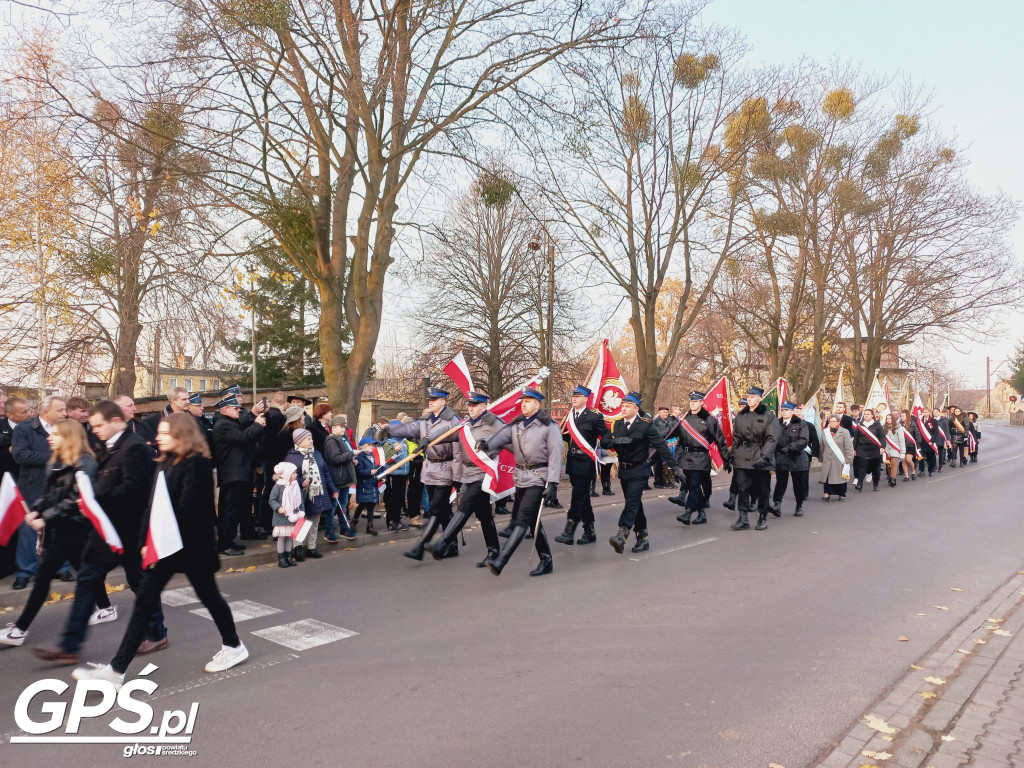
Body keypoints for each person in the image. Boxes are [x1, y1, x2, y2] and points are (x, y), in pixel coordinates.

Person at [72, 413, 248, 687]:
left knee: (210, 597)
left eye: (165, 433)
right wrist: (145, 542)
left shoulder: (198, 464)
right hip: (165, 546)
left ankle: (234, 646)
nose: (157, 437)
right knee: (144, 601)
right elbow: (151, 507)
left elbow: (188, 512)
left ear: (181, 434)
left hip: (192, 548)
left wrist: (158, 545)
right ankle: (116, 671)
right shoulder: (163, 463)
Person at [29, 401, 168, 664]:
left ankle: (157, 633)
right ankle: (70, 645)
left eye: (99, 425)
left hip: (128, 531)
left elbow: (135, 490)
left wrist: (95, 499)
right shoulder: (107, 446)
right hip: (105, 530)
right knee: (86, 581)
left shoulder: (134, 446)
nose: (95, 431)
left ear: (116, 420)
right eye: (92, 427)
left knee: (140, 583)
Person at [0, 420, 100, 649]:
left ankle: (22, 629)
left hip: (79, 530)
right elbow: (49, 494)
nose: (49, 437)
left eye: (55, 433)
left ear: (69, 437)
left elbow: (78, 500)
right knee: (79, 577)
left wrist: (46, 517)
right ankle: (102, 609)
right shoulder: (56, 460)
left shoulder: (85, 463)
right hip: (62, 529)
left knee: (56, 577)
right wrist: (36, 510)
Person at [476, 388, 560, 576]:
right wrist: (486, 443)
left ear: (537, 404)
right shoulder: (517, 425)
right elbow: (501, 437)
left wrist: (553, 484)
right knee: (532, 522)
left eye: (528, 401)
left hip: (539, 477)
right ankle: (546, 560)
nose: (523, 403)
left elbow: (556, 455)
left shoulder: (549, 426)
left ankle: (501, 560)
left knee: (522, 520)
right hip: (521, 477)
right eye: (522, 400)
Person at [427, 391, 504, 566]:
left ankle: (442, 543)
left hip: (484, 473)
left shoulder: (494, 423)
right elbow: (447, 433)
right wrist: (427, 440)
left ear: (484, 406)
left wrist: (489, 445)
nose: (470, 408)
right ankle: (494, 551)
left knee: (465, 505)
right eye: (469, 405)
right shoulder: (465, 424)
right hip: (467, 474)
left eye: (474, 405)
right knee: (484, 514)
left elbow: (507, 437)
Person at [386, 388, 462, 561]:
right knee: (443, 510)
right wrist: (388, 432)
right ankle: (452, 544)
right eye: (430, 399)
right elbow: (409, 429)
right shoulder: (425, 420)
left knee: (436, 508)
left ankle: (421, 547)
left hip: (446, 467)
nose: (431, 401)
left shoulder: (452, 420)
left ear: (443, 401)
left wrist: (457, 477)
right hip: (430, 468)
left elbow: (458, 451)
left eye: (435, 399)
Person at [600, 392, 682, 553]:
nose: (623, 409)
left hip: (639, 470)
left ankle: (621, 534)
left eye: (628, 406)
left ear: (636, 408)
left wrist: (675, 467)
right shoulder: (617, 424)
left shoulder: (645, 425)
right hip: (624, 470)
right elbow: (603, 442)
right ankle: (642, 537)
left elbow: (661, 445)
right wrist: (614, 441)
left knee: (631, 502)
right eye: (622, 406)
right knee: (635, 504)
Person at [11, 396, 68, 589]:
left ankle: (62, 568)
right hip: (32, 486)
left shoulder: (67, 429)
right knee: (29, 530)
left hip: (59, 485)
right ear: (45, 412)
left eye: (65, 410)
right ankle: (25, 572)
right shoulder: (24, 429)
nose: (65, 413)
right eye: (60, 410)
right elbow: (20, 455)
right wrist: (54, 456)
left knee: (59, 527)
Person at [210, 393, 266, 552]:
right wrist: (257, 424)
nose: (239, 411)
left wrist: (254, 418)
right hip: (232, 474)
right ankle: (225, 544)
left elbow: (243, 426)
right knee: (230, 510)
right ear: (225, 409)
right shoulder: (223, 425)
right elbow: (242, 436)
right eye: (236, 408)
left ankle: (230, 541)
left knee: (235, 510)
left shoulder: (230, 421)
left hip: (237, 472)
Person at [555, 385, 609, 546]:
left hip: (586, 461)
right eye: (573, 396)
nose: (574, 398)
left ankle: (569, 531)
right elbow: (566, 437)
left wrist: (608, 444)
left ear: (586, 399)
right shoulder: (569, 416)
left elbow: (605, 435)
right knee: (583, 497)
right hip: (572, 461)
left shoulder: (594, 416)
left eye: (578, 396)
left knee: (578, 495)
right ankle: (589, 530)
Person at [670, 390, 729, 525]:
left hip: (701, 458)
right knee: (692, 487)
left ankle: (688, 513)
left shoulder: (709, 420)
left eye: (695, 401)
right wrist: (677, 462)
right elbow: (680, 442)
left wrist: (726, 459)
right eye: (691, 401)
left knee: (695, 485)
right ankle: (702, 513)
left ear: (701, 403)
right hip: (687, 458)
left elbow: (720, 440)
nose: (692, 404)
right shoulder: (685, 420)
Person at [284, 428, 338, 560]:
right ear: (299, 441)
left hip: (318, 492)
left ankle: (312, 547)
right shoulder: (291, 456)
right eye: (308, 439)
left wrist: (333, 489)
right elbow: (287, 476)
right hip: (301, 494)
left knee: (315, 521)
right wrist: (301, 481)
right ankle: (298, 547)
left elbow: (325, 472)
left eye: (311, 438)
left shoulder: (317, 454)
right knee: (301, 520)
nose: (311, 441)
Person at [730, 386, 778, 531]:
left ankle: (762, 517)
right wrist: (733, 455)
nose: (749, 399)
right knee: (743, 488)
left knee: (763, 490)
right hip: (743, 456)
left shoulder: (769, 416)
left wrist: (764, 456)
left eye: (753, 397)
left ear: (760, 398)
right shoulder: (740, 415)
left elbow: (772, 438)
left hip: (761, 456)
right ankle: (743, 518)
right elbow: (736, 436)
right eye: (748, 396)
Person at [322, 416, 357, 542]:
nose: (343, 429)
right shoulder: (332, 440)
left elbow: (345, 457)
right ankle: (329, 531)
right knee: (332, 507)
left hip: (344, 478)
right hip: (336, 479)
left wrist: (352, 459)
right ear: (333, 427)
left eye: (344, 426)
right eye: (340, 426)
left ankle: (344, 529)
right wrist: (351, 454)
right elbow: (336, 459)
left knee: (343, 505)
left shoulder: (343, 439)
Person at [771, 401, 809, 517]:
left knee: (798, 484)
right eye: (782, 410)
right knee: (780, 483)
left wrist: (788, 449)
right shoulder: (776, 423)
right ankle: (777, 504)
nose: (784, 412)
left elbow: (803, 440)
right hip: (781, 458)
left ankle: (799, 505)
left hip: (796, 458)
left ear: (792, 411)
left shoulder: (800, 424)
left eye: (786, 410)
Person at [269, 462, 304, 567]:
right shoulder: (278, 486)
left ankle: (289, 556)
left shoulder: (295, 486)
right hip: (281, 517)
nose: (296, 475)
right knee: (282, 538)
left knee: (290, 537)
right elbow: (272, 500)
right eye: (294, 473)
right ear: (287, 474)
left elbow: (299, 500)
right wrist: (278, 508)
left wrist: (300, 511)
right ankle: (281, 558)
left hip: (292, 517)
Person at [352, 437, 382, 535]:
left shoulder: (375, 456)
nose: (373, 447)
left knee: (371, 505)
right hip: (364, 484)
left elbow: (379, 468)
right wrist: (369, 472)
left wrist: (382, 477)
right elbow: (359, 472)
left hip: (373, 484)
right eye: (371, 445)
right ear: (365, 446)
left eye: (373, 445)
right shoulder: (360, 456)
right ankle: (354, 521)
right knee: (362, 504)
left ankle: (370, 526)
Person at [820, 414, 854, 501]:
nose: (832, 423)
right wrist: (821, 459)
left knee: (840, 478)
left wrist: (848, 459)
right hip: (827, 459)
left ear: (838, 422)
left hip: (840, 459)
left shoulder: (844, 432)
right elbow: (822, 446)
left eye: (834, 421)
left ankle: (841, 494)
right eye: (830, 421)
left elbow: (849, 447)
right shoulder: (825, 432)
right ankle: (826, 493)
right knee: (827, 477)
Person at [851, 407, 885, 492]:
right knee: (862, 466)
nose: (866, 416)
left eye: (868, 414)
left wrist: (882, 447)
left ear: (872, 415)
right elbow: (856, 438)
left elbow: (882, 437)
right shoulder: (860, 425)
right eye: (865, 414)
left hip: (875, 449)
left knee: (875, 469)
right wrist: (854, 449)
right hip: (862, 448)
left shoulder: (877, 425)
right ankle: (860, 483)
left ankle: (876, 484)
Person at [651, 406, 677, 488]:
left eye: (666, 412)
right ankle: (658, 482)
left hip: (670, 445)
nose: (665, 414)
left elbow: (674, 432)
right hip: (659, 446)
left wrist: (676, 440)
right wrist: (665, 442)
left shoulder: (669, 421)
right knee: (659, 465)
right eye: (663, 412)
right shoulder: (655, 422)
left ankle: (668, 480)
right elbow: (657, 435)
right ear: (659, 413)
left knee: (668, 464)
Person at [882, 412, 905, 487]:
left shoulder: (899, 428)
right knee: (889, 465)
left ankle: (893, 479)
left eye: (890, 418)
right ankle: (890, 476)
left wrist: (903, 452)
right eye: (887, 418)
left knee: (894, 463)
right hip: (886, 449)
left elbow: (901, 440)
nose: (888, 420)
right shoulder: (883, 427)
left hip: (895, 447)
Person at [931, 408, 949, 472]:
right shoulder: (931, 420)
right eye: (934, 412)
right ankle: (934, 466)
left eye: (936, 412)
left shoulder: (943, 420)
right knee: (933, 453)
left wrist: (948, 438)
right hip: (933, 438)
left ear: (939, 412)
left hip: (940, 438)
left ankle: (940, 466)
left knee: (940, 453)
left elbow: (946, 430)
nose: (935, 413)